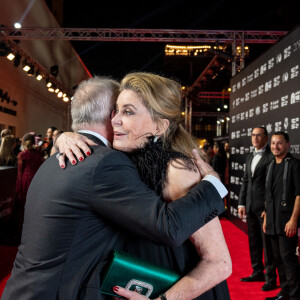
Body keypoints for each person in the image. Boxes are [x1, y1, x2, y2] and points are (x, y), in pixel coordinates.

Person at [2, 76, 228, 300]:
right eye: (115, 111)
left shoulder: (177, 168)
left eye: (127, 112)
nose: (115, 120)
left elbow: (220, 262)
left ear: (159, 125)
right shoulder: (114, 162)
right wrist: (64, 138)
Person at [238, 127, 277, 291]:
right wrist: (241, 203)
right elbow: (246, 181)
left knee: (267, 245)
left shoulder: (271, 157)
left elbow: (272, 186)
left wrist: (268, 208)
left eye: (258, 135)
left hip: (264, 209)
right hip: (250, 206)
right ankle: (257, 272)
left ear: (266, 138)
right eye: (253, 135)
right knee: (253, 242)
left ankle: (270, 278)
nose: (255, 138)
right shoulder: (249, 156)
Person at [263, 132, 300, 300]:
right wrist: (265, 218)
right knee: (277, 258)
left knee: (288, 258)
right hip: (272, 220)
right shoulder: (270, 165)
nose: (275, 147)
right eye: (272, 143)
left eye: (279, 143)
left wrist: (293, 220)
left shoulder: (295, 165)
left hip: (287, 221)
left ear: (287, 145)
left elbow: (299, 194)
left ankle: (295, 295)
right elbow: (268, 196)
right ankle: (285, 292)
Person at [14, 133, 44, 237]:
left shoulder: (22, 155)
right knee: (35, 204)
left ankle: (23, 228)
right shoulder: (39, 154)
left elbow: (19, 173)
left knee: (24, 204)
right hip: (37, 181)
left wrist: (18, 187)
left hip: (25, 181)